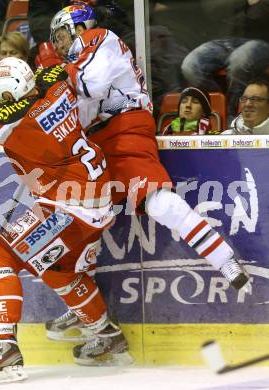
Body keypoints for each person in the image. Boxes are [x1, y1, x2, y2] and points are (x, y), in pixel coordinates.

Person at [46, 4, 250, 342]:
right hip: (98, 141)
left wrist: (54, 81)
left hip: (125, 128)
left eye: (63, 34)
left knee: (156, 201)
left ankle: (223, 258)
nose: (60, 43)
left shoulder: (99, 39)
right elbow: (79, 110)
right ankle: (85, 307)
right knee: (83, 216)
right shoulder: (75, 61)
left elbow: (90, 87)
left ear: (79, 26)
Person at [0, 55, 133, 383]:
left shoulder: (11, 117)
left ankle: (4, 350)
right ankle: (108, 339)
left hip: (68, 208)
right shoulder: (55, 84)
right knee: (57, 269)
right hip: (95, 198)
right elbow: (52, 67)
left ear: (7, 98)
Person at [181, 0, 269, 122]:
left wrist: (231, 14)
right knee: (190, 66)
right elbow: (212, 8)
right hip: (223, 39)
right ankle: (216, 112)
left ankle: (231, 116)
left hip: (261, 40)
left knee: (239, 61)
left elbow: (261, 13)